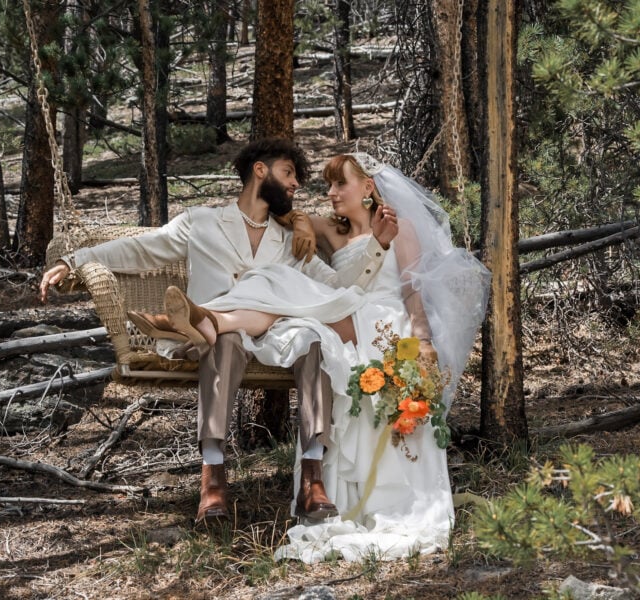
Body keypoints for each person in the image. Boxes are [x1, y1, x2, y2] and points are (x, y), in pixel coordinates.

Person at [132, 153, 491, 561]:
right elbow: (288, 217)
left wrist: (422, 341)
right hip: (343, 315)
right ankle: (214, 321)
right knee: (287, 294)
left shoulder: (399, 226)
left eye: (340, 184)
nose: (331, 193)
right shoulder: (330, 229)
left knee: (282, 284)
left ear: (368, 188)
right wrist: (302, 223)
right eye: (328, 185)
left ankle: (208, 318)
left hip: (385, 324)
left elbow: (411, 291)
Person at [38, 138, 398, 525]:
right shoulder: (201, 222)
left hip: (273, 334)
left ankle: (313, 478)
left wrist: (377, 246)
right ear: (260, 170)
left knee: (313, 340)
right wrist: (74, 260)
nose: (296, 184)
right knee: (223, 341)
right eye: (288, 173)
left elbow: (338, 288)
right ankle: (213, 478)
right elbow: (141, 249)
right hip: (218, 340)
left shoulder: (289, 240)